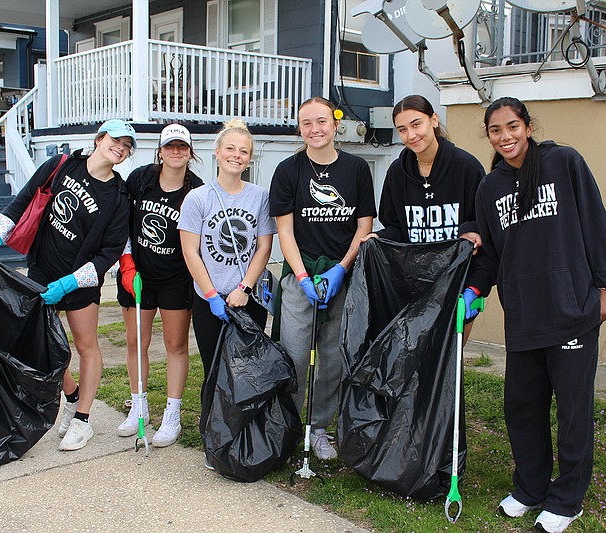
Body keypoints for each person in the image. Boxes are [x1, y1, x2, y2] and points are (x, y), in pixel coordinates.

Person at [465, 97, 606, 533]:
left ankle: (568, 499)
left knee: (573, 412)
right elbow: (492, 254)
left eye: (512, 126)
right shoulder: (489, 188)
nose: (506, 137)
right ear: (489, 136)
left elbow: (595, 221)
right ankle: (531, 488)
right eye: (496, 130)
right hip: (524, 315)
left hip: (571, 309)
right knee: (522, 407)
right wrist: (473, 289)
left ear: (528, 126)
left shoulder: (563, 162)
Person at [0, 119, 135, 451]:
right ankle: (70, 395)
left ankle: (83, 419)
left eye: (127, 145)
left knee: (86, 348)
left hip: (79, 283)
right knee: (41, 347)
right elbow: (22, 201)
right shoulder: (60, 165)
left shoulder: (118, 196)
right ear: (100, 139)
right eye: (116, 139)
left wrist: (70, 282)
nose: (121, 147)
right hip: (41, 272)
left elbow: (109, 252)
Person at [269, 97, 376, 460]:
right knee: (295, 357)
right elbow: (285, 231)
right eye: (306, 123)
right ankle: (288, 427)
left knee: (331, 359)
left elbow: (364, 226)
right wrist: (301, 277)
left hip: (340, 278)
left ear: (335, 124)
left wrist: (340, 269)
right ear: (299, 128)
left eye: (321, 121)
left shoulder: (357, 168)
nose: (315, 129)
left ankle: (318, 429)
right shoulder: (288, 170)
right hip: (300, 278)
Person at [178, 119, 276, 432]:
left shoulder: (260, 197)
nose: (237, 155)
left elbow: (263, 247)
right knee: (213, 367)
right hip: (211, 300)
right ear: (218, 153)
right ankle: (215, 432)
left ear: (250, 159)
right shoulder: (197, 198)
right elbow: (191, 252)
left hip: (249, 298)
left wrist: (244, 288)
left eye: (244, 151)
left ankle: (247, 431)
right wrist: (211, 295)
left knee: (247, 368)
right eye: (231, 148)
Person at [364, 94, 486, 337]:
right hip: (413, 284)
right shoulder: (397, 173)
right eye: (402, 129)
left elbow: (484, 224)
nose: (411, 135)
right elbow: (396, 227)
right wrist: (377, 238)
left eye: (416, 124)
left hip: (456, 283)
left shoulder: (466, 168)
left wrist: (472, 230)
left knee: (447, 360)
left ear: (434, 120)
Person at [115, 123, 203, 448]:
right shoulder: (140, 179)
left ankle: (172, 414)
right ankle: (139, 407)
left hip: (176, 278)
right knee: (136, 341)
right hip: (137, 274)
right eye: (170, 147)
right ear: (161, 150)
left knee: (175, 345)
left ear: (190, 151)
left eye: (182, 147)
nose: (176, 152)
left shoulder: (197, 190)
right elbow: (121, 222)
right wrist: (126, 264)